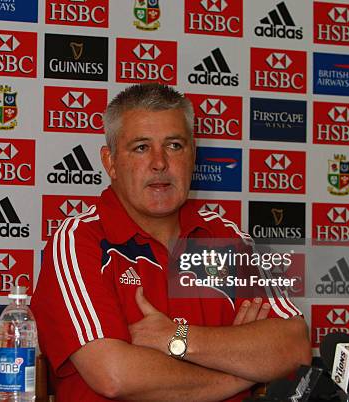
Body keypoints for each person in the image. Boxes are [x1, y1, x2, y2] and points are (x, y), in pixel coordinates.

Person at [31, 83, 312, 402]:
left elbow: (294, 345)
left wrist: (173, 337)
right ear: (110, 163)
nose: (160, 163)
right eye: (140, 147)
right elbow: (114, 375)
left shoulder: (227, 237)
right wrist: (244, 369)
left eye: (175, 145)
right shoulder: (80, 240)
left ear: (193, 155)